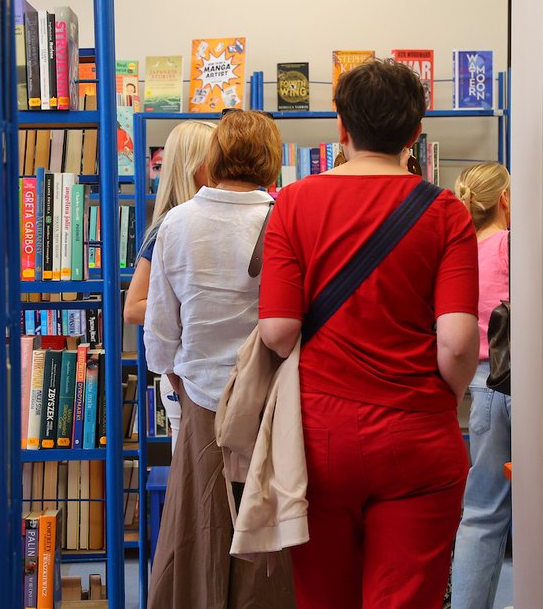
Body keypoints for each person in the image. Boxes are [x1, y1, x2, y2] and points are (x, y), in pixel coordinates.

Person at [258, 59, 480, 608]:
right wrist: (439, 401)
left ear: (341, 127)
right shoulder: (446, 212)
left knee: (322, 594)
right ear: (415, 132)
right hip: (418, 433)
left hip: (318, 436)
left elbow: (278, 329)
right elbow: (455, 341)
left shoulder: (292, 202)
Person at [144, 110, 296, 608]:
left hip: (200, 402)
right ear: (272, 163)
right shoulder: (285, 218)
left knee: (196, 533)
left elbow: (161, 329)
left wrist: (176, 377)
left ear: (213, 158)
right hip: (274, 406)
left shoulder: (176, 224)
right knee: (269, 536)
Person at [123, 121, 217, 448]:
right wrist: (197, 304)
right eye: (215, 157)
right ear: (194, 165)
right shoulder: (170, 225)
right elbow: (133, 307)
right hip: (184, 380)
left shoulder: (200, 219)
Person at [451, 162, 511, 609]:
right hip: (517, 381)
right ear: (505, 201)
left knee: (483, 511)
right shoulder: (512, 244)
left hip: (478, 384)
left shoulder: (458, 251)